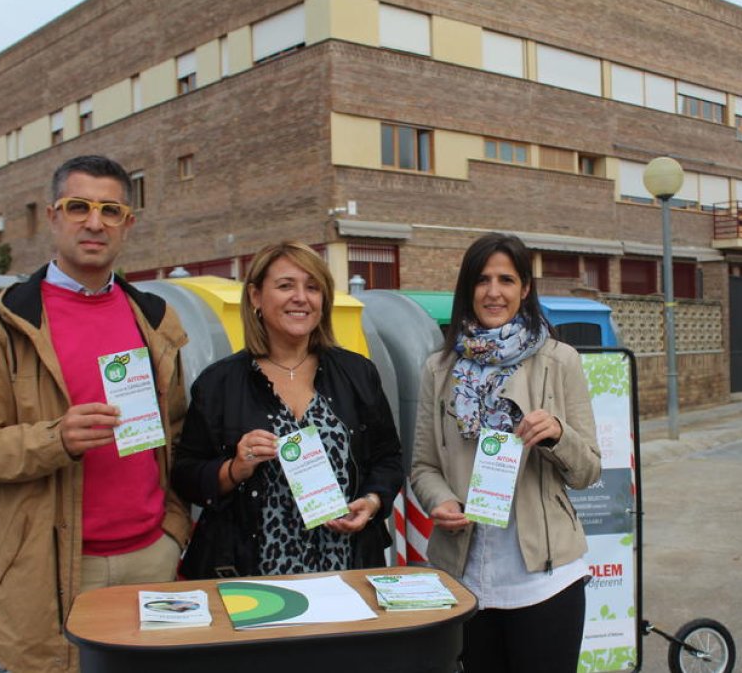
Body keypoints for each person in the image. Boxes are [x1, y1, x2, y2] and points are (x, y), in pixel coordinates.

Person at [0, 155, 192, 672]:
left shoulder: (153, 317)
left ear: (129, 223)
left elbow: (175, 431)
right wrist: (57, 439)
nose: (95, 222)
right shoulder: (4, 323)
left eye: (110, 210)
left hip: (152, 555)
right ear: (54, 217)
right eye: (79, 207)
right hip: (50, 567)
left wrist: (173, 528)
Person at [410, 232, 602, 673]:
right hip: (464, 573)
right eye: (482, 280)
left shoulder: (561, 360)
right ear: (467, 289)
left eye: (506, 279)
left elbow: (588, 470)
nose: (493, 292)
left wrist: (557, 434)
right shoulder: (438, 369)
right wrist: (439, 500)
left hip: (545, 578)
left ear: (525, 289)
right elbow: (423, 465)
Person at [173, 241, 402, 578]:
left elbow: (389, 459)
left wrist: (371, 502)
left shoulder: (357, 372)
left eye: (313, 287)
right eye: (285, 286)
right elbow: (185, 474)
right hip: (251, 576)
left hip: (345, 569)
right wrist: (235, 468)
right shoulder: (219, 383)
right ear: (255, 297)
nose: (301, 297)